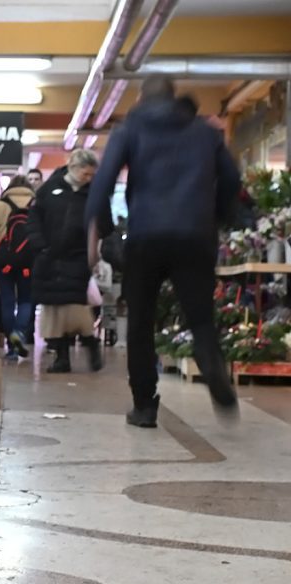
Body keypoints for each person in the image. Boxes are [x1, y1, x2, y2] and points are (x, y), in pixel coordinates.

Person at [86, 75, 241, 427]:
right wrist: (216, 216)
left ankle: (144, 406)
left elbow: (103, 183)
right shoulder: (204, 131)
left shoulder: (130, 129)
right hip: (195, 236)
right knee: (201, 318)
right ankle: (210, 360)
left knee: (140, 322)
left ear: (141, 99)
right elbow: (232, 179)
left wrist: (102, 233)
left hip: (146, 237)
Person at [26, 149, 104, 374]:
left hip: (77, 258)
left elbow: (104, 223)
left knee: (76, 308)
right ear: (74, 168)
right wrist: (39, 245)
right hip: (49, 257)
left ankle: (90, 343)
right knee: (54, 310)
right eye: (85, 174)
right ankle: (62, 358)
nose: (88, 179)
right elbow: (34, 219)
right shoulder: (49, 189)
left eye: (92, 175)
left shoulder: (93, 194)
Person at [0, 175, 36, 359]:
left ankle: (11, 348)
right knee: (26, 300)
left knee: (7, 300)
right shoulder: (36, 204)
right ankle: (19, 332)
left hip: (4, 260)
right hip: (30, 259)